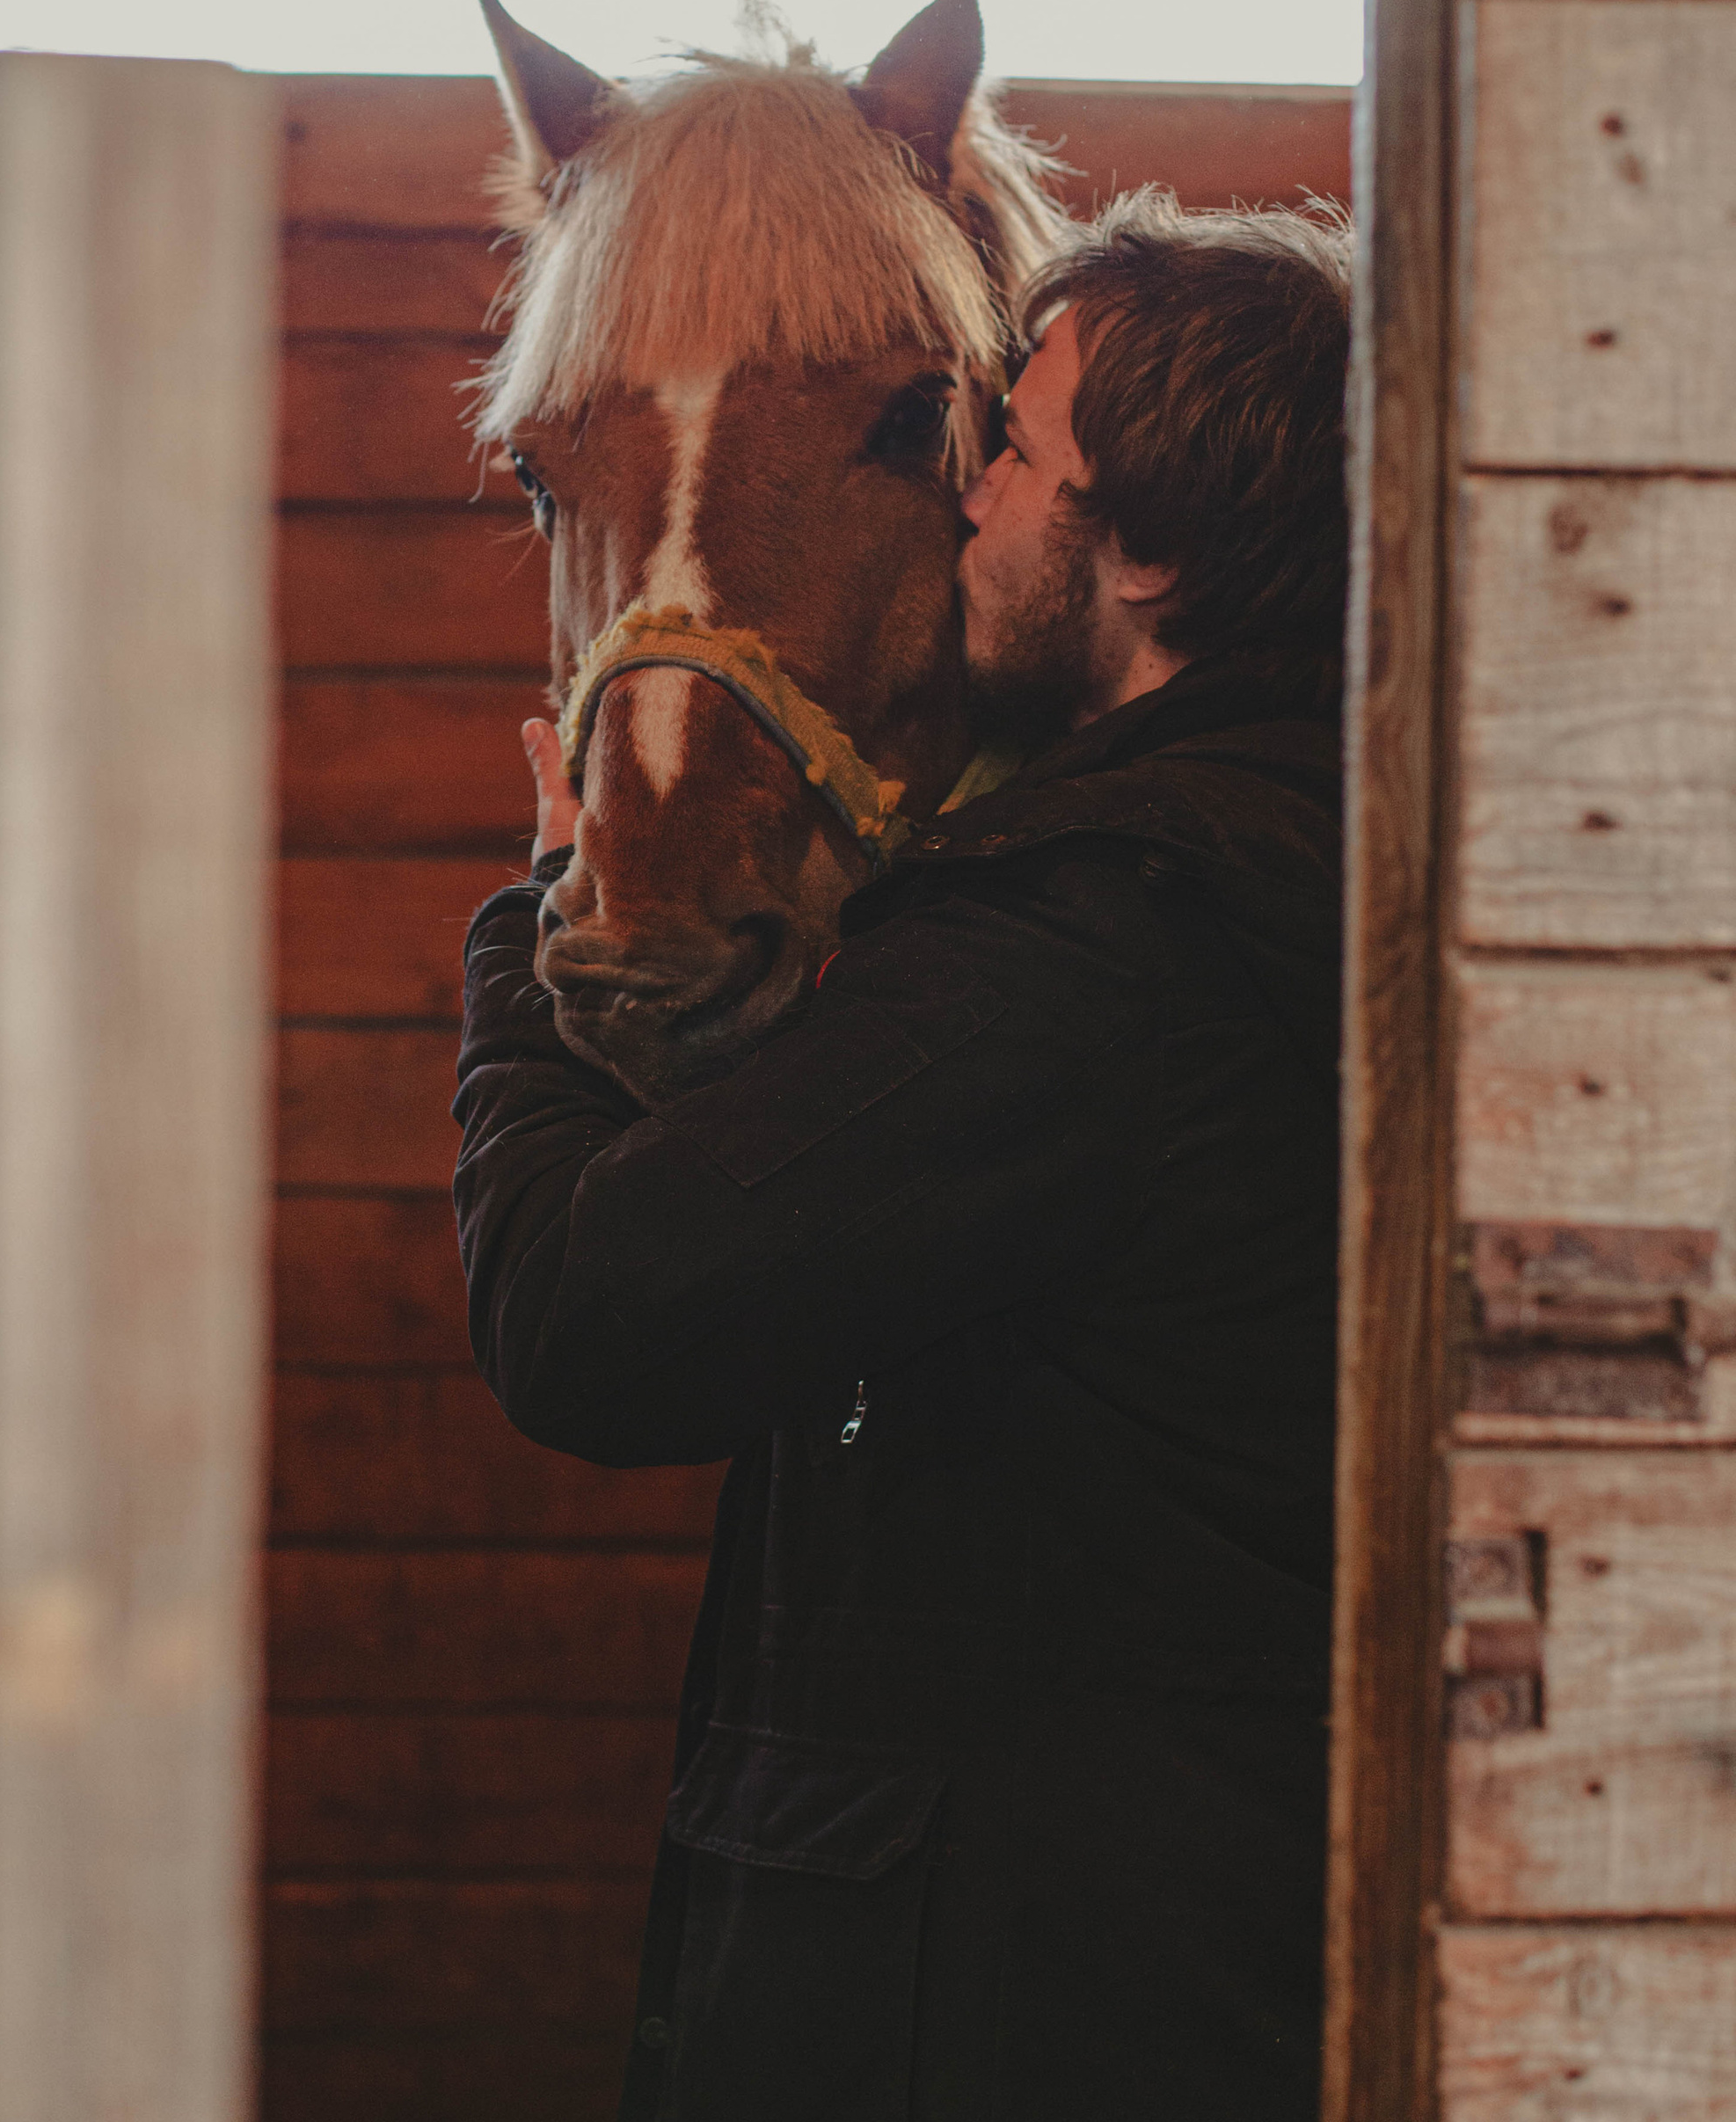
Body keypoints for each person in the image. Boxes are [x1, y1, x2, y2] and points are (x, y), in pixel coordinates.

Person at [452, 192, 1353, 2122]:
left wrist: (538, 928)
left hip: (1023, 2009)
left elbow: (585, 1314)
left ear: (1146, 554)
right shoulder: (1274, 850)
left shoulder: (1087, 949)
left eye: (1008, 454)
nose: (964, 508)